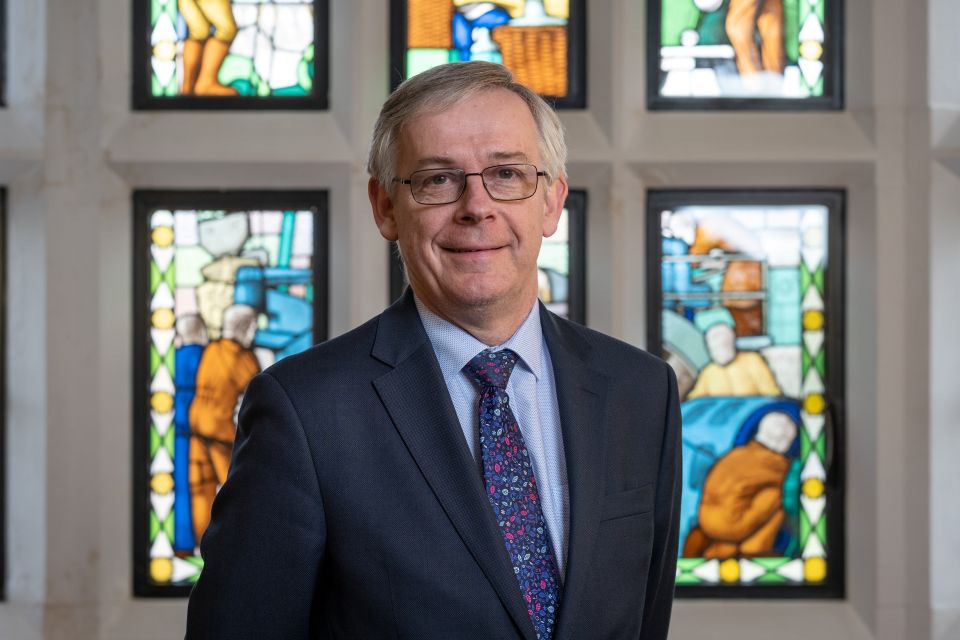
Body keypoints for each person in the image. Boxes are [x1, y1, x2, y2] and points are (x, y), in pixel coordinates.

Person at [186, 61, 681, 639]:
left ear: (550, 202)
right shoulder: (305, 411)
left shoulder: (641, 391)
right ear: (385, 207)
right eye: (438, 179)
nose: (477, 206)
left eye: (507, 173)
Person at [187, 304, 260, 545]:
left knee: (201, 487)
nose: (254, 333)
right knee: (238, 490)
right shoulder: (242, 358)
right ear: (244, 328)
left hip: (197, 424)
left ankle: (201, 543)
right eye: (253, 327)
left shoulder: (212, 350)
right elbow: (258, 394)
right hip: (221, 431)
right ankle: (235, 548)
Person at [682, 411, 797, 558]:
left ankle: (722, 549)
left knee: (743, 499)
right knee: (776, 495)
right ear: (783, 441)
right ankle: (754, 551)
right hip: (731, 525)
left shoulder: (735, 454)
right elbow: (789, 482)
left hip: (706, 521)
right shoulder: (774, 463)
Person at [686, 308, 781, 399]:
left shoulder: (752, 361)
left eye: (722, 335)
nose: (719, 342)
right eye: (713, 338)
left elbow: (772, 395)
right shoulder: (708, 372)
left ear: (732, 337)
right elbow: (695, 400)